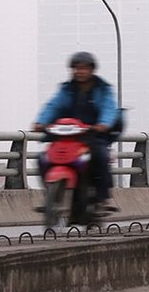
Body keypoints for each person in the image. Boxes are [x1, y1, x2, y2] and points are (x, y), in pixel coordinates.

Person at [33, 51, 119, 213]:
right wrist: (41, 122)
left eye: (84, 68)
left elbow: (109, 108)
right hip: (66, 136)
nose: (80, 71)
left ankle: (103, 198)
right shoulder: (66, 90)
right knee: (43, 158)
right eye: (77, 68)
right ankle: (50, 195)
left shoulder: (103, 90)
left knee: (100, 155)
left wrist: (103, 124)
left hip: (91, 135)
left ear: (92, 70)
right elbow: (53, 106)